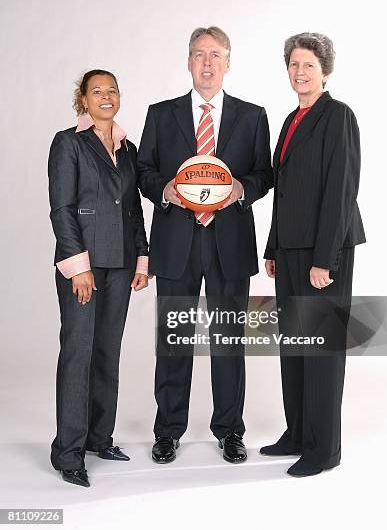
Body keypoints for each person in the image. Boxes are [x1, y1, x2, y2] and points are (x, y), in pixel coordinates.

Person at [137, 26, 273, 464]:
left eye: (216, 55)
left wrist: (239, 189)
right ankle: (168, 430)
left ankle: (230, 430)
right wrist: (166, 191)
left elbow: (264, 174)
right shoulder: (161, 114)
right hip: (176, 240)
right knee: (174, 339)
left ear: (228, 63)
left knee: (228, 341)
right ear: (188, 62)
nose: (208, 63)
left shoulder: (253, 116)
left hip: (228, 242)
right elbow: (144, 170)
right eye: (199, 55)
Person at [261, 33, 366, 477]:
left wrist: (325, 259)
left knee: (321, 349)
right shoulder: (291, 119)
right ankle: (299, 433)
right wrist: (273, 247)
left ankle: (324, 449)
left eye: (307, 65)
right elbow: (284, 191)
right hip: (290, 250)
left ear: (325, 70)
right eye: (293, 65)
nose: (299, 72)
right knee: (294, 347)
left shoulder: (337, 116)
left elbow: (341, 190)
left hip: (325, 251)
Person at [48, 69, 149, 487]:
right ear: (83, 100)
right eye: (97, 91)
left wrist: (142, 261)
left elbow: (134, 209)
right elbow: (62, 208)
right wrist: (78, 265)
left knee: (108, 352)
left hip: (122, 263)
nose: (105, 97)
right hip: (83, 267)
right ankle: (67, 453)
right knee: (78, 354)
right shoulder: (68, 143)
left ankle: (98, 437)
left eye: (111, 91)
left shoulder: (129, 149)